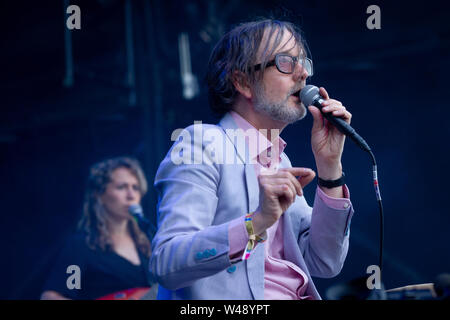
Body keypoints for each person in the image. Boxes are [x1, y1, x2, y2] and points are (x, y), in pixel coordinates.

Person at [150, 19, 355, 300]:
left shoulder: (280, 162)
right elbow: (166, 262)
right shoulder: (203, 143)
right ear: (243, 81)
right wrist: (256, 223)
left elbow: (326, 261)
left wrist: (330, 167)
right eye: (285, 62)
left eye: (303, 62)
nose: (302, 74)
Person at [40, 157, 156, 300]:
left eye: (135, 188)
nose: (131, 195)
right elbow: (55, 295)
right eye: (121, 187)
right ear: (99, 194)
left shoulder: (147, 243)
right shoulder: (83, 246)